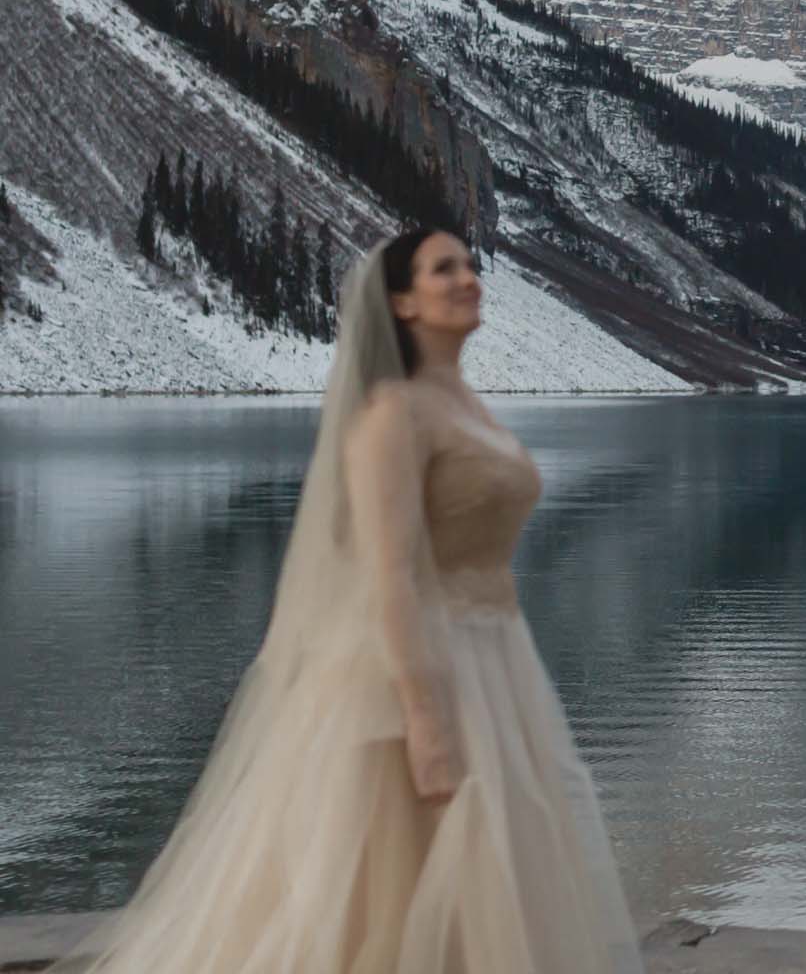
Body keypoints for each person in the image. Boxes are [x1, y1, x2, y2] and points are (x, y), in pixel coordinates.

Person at [55, 228, 642, 974]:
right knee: (382, 891)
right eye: (443, 269)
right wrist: (423, 720)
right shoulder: (392, 415)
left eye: (468, 264)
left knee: (489, 883)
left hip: (496, 661)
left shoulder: (459, 401)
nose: (468, 278)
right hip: (413, 672)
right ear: (400, 301)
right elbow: (387, 573)